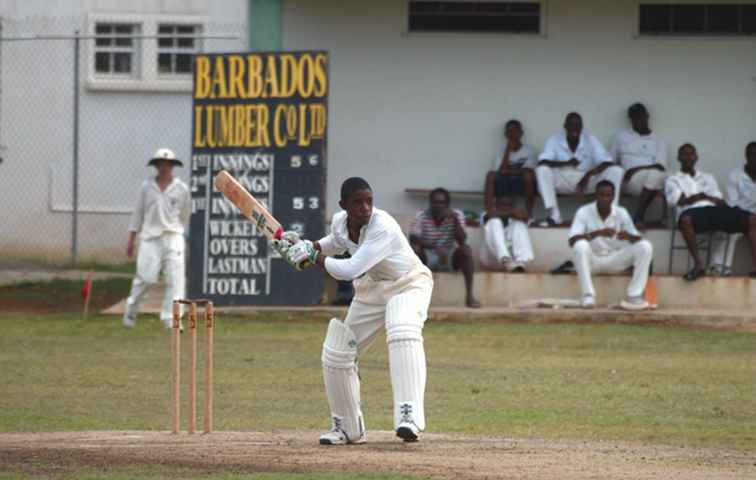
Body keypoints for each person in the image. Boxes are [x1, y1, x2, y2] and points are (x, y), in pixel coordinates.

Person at [275, 177, 434, 445]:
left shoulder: (382, 226)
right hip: (371, 290)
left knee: (402, 324)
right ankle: (347, 427)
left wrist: (312, 257)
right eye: (358, 202)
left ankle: (409, 416)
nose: (365, 208)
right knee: (338, 351)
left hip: (408, 283)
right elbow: (334, 243)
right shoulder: (340, 222)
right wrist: (306, 246)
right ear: (344, 205)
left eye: (369, 201)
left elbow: (349, 269)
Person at [665, 143, 756, 281]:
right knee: (685, 220)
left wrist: (698, 197)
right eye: (684, 154)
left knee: (751, 219)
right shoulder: (673, 179)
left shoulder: (708, 177)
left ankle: (739, 267)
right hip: (691, 213)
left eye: (691, 154)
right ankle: (699, 266)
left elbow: (719, 200)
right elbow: (679, 200)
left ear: (696, 157)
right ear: (679, 158)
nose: (688, 157)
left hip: (713, 211)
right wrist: (703, 197)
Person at [122, 148, 190, 328]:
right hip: (150, 238)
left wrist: (176, 230)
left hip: (173, 236)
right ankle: (131, 311)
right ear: (156, 166)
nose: (164, 167)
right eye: (161, 164)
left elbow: (185, 215)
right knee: (145, 277)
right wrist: (131, 240)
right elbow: (137, 215)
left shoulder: (181, 189)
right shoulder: (146, 187)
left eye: (167, 164)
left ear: (173, 166)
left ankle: (172, 318)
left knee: (176, 280)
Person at [568, 180, 653, 310]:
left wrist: (628, 236)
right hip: (592, 262)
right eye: (601, 195)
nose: (604, 199)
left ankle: (634, 296)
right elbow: (572, 241)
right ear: (596, 195)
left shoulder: (621, 212)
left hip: (615, 260)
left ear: (613, 197)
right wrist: (597, 233)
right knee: (580, 245)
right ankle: (588, 295)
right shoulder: (584, 211)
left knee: (645, 246)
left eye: (608, 195)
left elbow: (637, 238)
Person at [536, 112, 624, 226]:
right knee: (542, 170)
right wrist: (566, 163)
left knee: (616, 170)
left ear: (581, 127)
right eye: (571, 125)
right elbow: (542, 161)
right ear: (565, 126)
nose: (574, 128)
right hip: (564, 180)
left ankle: (612, 214)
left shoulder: (590, 139)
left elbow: (607, 161)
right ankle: (554, 215)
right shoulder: (555, 139)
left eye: (578, 125)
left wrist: (589, 175)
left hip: (586, 180)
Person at [408, 188, 481, 308]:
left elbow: (462, 240)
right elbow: (413, 237)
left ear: (448, 204)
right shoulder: (422, 215)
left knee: (466, 250)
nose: (438, 206)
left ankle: (470, 297)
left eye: (442, 203)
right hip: (428, 254)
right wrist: (435, 247)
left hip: (449, 256)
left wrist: (455, 220)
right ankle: (412, 297)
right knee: (415, 250)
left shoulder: (457, 215)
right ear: (430, 203)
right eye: (435, 202)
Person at [610, 103, 668, 225]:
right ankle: (638, 217)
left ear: (647, 116)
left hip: (650, 179)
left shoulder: (658, 140)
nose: (637, 120)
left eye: (640, 116)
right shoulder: (620, 137)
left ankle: (638, 216)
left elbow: (660, 166)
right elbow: (610, 161)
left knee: (657, 175)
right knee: (656, 177)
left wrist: (635, 169)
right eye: (634, 117)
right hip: (629, 181)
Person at [484, 119, 538, 220]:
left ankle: (529, 214)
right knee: (490, 175)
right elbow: (498, 171)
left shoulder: (529, 150)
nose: (512, 134)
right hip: (505, 182)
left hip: (521, 183)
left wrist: (507, 172)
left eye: (515, 131)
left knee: (528, 176)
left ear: (521, 133)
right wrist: (508, 151)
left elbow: (527, 171)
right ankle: (489, 212)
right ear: (505, 134)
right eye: (509, 131)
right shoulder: (501, 152)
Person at [479, 196, 534, 272]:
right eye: (503, 204)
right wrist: (510, 213)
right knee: (495, 222)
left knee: (519, 224)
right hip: (490, 259)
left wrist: (518, 214)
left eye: (509, 205)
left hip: (513, 264)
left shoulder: (514, 218)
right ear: (496, 205)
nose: (506, 207)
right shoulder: (487, 215)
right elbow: (488, 216)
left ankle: (521, 261)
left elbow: (526, 217)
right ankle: (506, 260)